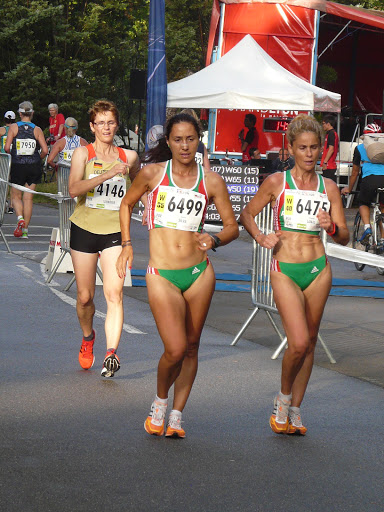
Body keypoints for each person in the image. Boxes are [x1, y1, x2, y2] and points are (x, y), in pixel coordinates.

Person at [117, 113, 239, 438]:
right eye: (178, 139)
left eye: (190, 139)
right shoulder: (153, 174)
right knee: (175, 348)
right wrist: (127, 245)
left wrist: (213, 239)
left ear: (199, 140)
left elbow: (232, 228)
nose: (185, 146)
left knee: (192, 346)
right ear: (168, 142)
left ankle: (176, 415)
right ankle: (160, 400)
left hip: (199, 272)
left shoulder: (211, 181)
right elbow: (126, 205)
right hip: (162, 273)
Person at [240, 114, 349, 436]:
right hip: (284, 269)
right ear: (291, 148)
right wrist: (262, 237)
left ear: (321, 148)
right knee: (298, 342)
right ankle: (283, 399)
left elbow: (343, 236)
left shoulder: (328, 187)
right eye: (303, 147)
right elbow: (247, 213)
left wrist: (333, 227)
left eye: (315, 147)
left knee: (310, 342)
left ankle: (296, 409)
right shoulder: (277, 182)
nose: (310, 153)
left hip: (318, 269)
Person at [68, 100, 140, 377]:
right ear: (92, 126)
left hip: (115, 233)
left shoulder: (129, 156)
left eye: (110, 122)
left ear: (116, 124)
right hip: (84, 229)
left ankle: (111, 353)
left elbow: (139, 184)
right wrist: (107, 174)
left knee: (114, 294)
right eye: (101, 123)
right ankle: (88, 338)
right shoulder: (81, 154)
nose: (106, 127)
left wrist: (149, 207)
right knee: (85, 297)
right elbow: (74, 189)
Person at [5, 101, 48, 239]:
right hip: (33, 165)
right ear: (32, 113)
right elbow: (45, 150)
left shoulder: (13, 127)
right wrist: (37, 158)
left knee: (16, 196)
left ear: (20, 113)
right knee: (28, 198)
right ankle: (25, 231)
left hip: (18, 165)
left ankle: (19, 218)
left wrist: (14, 155)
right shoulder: (37, 129)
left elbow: (6, 148)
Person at [341, 123, 384, 242]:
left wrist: (349, 189)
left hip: (369, 180)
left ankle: (367, 228)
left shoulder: (360, 148)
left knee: (363, 202)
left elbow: (355, 172)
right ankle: (383, 238)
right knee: (382, 207)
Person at [0, 110, 16, 214]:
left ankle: (4, 202)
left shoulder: (2, 130)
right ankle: (11, 206)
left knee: (3, 181)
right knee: (12, 182)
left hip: (4, 158)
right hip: (14, 157)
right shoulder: (16, 130)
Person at [320, 115, 339, 182]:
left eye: (323, 124)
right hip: (329, 165)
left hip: (329, 165)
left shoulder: (332, 134)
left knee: (327, 184)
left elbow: (331, 149)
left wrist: (325, 162)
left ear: (328, 124)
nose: (323, 126)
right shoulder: (329, 134)